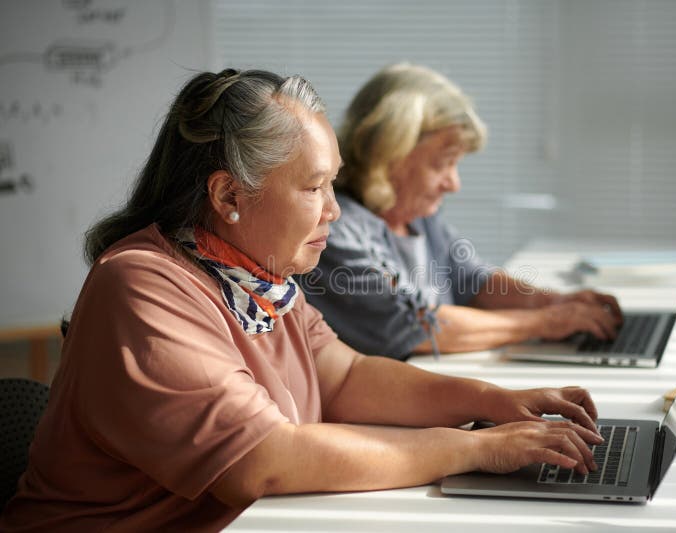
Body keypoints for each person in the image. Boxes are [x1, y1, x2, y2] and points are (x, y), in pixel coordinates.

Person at [0, 68, 604, 531]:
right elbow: (263, 460)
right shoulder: (142, 286)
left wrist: (496, 401)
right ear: (229, 194)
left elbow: (347, 377)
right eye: (314, 187)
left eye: (333, 184)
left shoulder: (259, 278)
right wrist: (475, 448)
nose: (335, 212)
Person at [299, 63, 623, 359]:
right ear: (390, 154)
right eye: (443, 163)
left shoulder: (419, 219)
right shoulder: (334, 231)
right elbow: (413, 325)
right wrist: (545, 322)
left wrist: (557, 302)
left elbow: (475, 281)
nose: (454, 184)